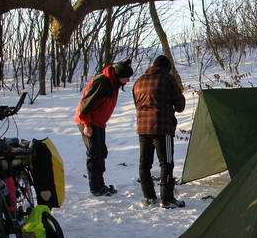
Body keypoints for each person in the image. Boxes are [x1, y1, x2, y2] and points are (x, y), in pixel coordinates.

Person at [132, 55, 186, 208]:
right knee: (166, 163)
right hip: (163, 127)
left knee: (144, 164)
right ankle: (167, 199)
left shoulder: (138, 81)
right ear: (166, 68)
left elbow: (137, 104)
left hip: (143, 128)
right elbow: (180, 105)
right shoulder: (167, 79)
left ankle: (149, 197)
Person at [74, 59, 133, 196]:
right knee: (94, 154)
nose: (128, 81)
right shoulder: (103, 82)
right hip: (87, 121)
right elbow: (85, 106)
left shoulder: (112, 83)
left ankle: (100, 185)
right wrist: (87, 125)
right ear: (119, 76)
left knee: (101, 153)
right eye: (126, 78)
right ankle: (95, 188)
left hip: (98, 122)